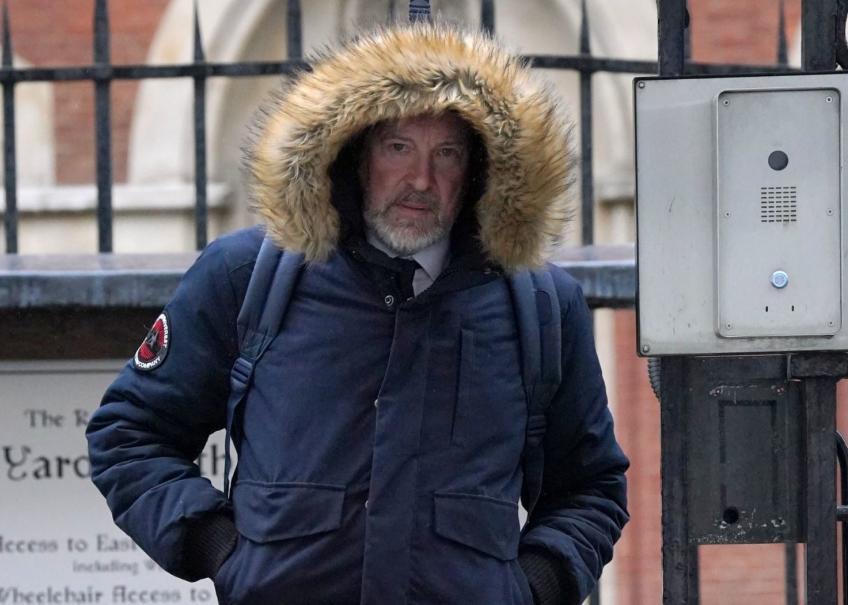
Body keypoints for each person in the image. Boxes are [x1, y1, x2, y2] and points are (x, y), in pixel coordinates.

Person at [87, 21, 628, 605]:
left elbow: (591, 487)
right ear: (355, 153)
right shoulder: (246, 278)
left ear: (478, 171)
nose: (420, 179)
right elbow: (130, 434)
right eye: (399, 147)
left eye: (446, 153)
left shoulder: (542, 306)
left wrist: (533, 586)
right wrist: (218, 549)